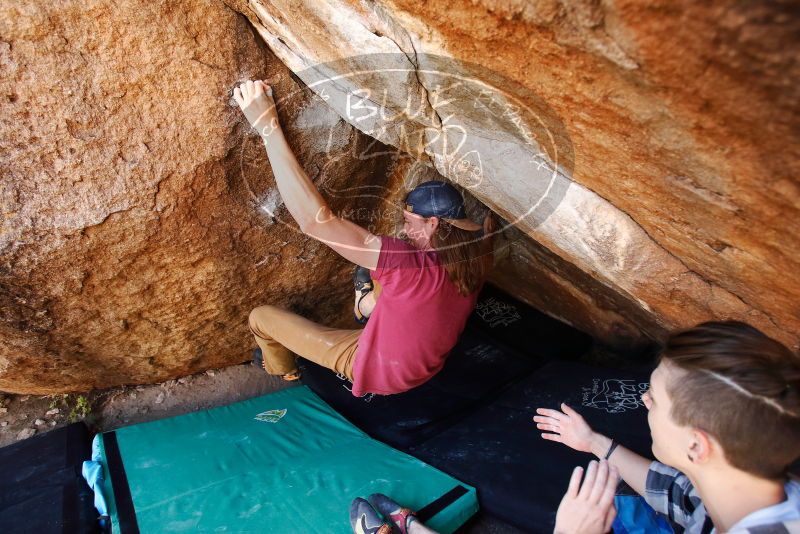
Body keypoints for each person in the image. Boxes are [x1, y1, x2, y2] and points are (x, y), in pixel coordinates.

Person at [233, 80, 493, 396]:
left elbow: (315, 222)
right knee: (380, 274)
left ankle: (283, 370)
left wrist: (266, 125)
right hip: (424, 363)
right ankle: (366, 304)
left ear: (433, 224)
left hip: (379, 370)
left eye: (410, 222)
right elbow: (487, 232)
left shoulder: (405, 263)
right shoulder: (476, 254)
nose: (404, 229)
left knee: (260, 318)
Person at [534, 321, 800, 533]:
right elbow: (682, 495)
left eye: (656, 400)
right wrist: (592, 442)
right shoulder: (748, 490)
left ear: (696, 445)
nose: (644, 400)